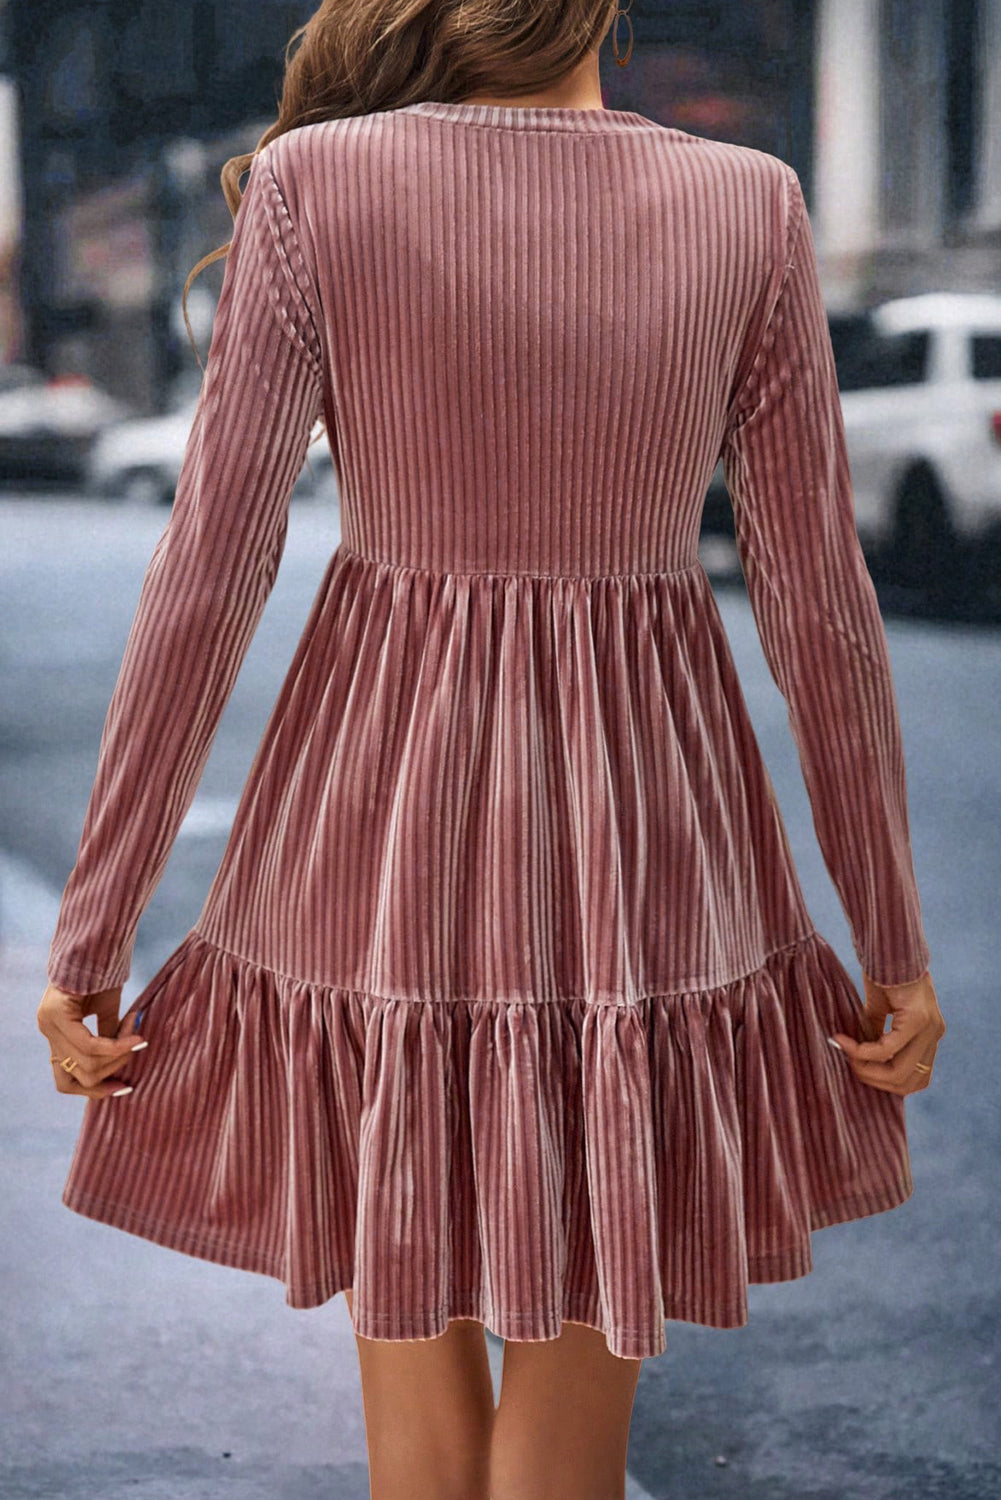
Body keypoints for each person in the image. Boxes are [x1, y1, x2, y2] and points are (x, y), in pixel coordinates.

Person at [36, 2, 946, 1497]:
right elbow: (819, 607)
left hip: (375, 810)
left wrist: (95, 924)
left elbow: (208, 571)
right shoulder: (748, 204)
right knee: (567, 1432)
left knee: (417, 1392)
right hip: (643, 823)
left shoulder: (319, 183)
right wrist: (890, 939)